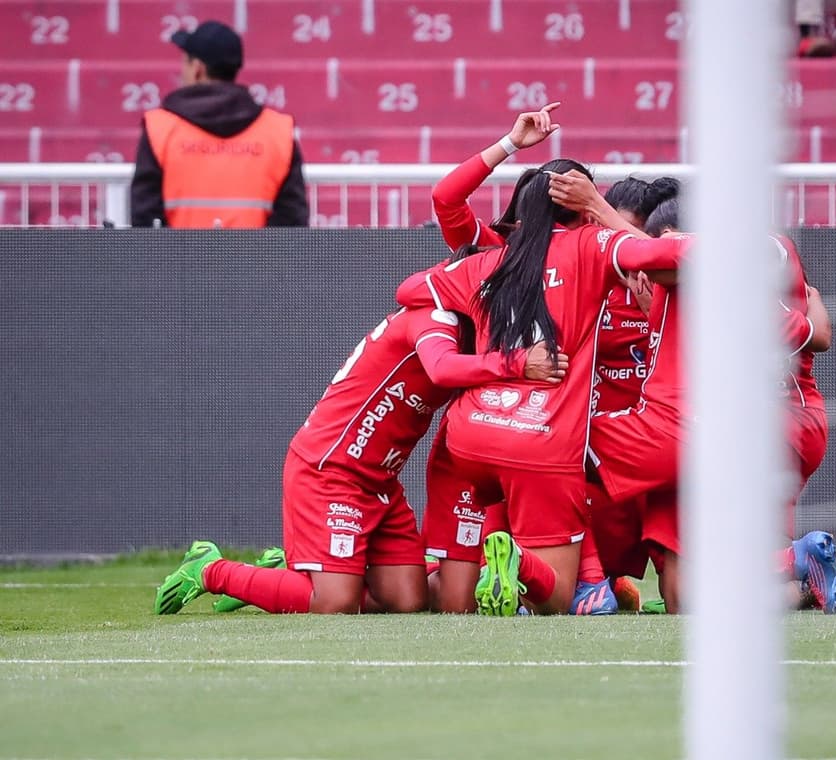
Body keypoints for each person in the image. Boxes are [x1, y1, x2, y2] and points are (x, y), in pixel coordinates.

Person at [396, 162, 689, 615]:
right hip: (545, 440)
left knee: (457, 600)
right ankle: (534, 567)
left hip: (471, 435)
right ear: (585, 209)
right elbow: (670, 258)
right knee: (556, 594)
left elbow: (410, 289)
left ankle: (584, 580)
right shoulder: (594, 246)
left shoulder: (491, 262)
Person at [154, 303, 564, 615]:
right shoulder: (432, 321)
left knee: (407, 600)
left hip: (379, 485)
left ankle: (290, 573)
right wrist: (517, 363)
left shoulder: (469, 333)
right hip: (329, 472)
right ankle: (211, 569)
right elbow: (440, 370)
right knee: (336, 603)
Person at [130, 20, 308, 228]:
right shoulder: (277, 132)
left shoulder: (159, 128)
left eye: (184, 63)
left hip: (179, 260)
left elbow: (145, 217)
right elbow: (292, 221)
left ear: (197, 69)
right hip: (255, 260)